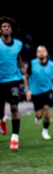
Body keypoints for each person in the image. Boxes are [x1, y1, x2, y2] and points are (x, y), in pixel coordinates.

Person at [23, 45, 53, 140]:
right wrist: (27, 91)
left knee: (47, 112)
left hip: (48, 91)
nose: (41, 53)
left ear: (46, 53)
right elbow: (25, 77)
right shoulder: (32, 64)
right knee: (39, 114)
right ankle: (37, 117)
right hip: (36, 92)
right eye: (39, 51)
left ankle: (45, 131)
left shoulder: (52, 65)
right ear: (36, 54)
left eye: (43, 51)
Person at [0, 17, 25, 150]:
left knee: (14, 107)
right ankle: (2, 120)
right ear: (0, 30)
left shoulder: (18, 44)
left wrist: (23, 68)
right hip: (0, 81)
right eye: (4, 26)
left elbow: (20, 59)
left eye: (8, 26)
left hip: (13, 80)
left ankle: (15, 138)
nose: (6, 28)